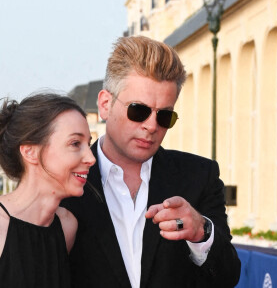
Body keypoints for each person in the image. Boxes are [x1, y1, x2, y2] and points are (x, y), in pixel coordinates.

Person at [62, 36, 241, 288]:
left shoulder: (199, 176)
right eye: (138, 110)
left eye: (165, 116)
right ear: (105, 104)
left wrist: (201, 232)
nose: (151, 125)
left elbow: (227, 278)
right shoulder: (63, 182)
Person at [0, 93, 96, 287]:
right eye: (75, 143)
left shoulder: (67, 226)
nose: (91, 158)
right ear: (30, 152)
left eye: (89, 144)